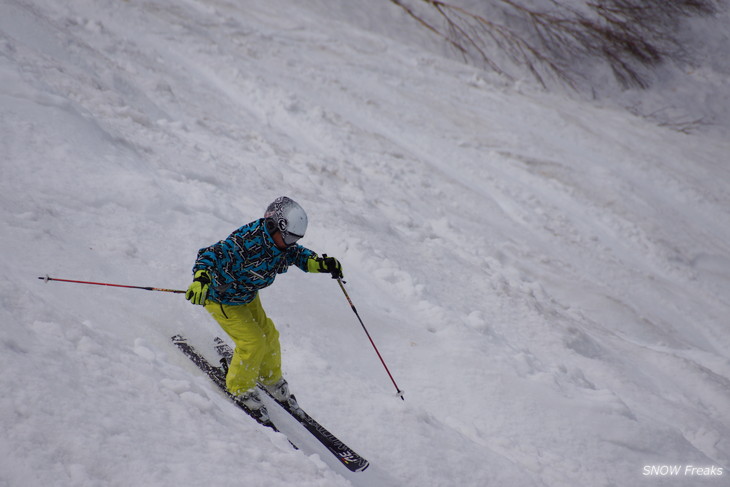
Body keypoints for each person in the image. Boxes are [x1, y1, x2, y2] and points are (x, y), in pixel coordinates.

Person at [185, 196, 343, 423]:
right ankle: (239, 387)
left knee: (269, 334)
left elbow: (298, 255)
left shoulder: (282, 244)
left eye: (294, 239)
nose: (290, 243)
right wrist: (201, 278)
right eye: (288, 237)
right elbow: (211, 254)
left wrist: (320, 264)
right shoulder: (246, 241)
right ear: (273, 225)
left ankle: (271, 379)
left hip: (247, 295)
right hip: (222, 297)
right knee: (253, 342)